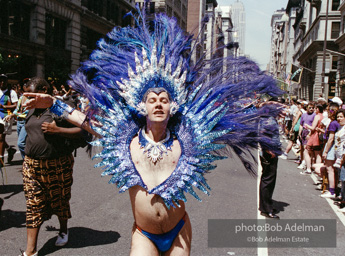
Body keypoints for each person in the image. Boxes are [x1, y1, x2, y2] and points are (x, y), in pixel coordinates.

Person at [23, 7, 284, 254]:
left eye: (164, 99)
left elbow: (233, 121)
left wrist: (264, 124)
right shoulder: (125, 139)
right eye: (152, 99)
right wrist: (54, 103)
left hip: (179, 230)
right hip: (144, 233)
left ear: (173, 106)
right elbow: (89, 123)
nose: (158, 103)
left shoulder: (190, 136)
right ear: (142, 105)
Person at [21, 77, 85, 256]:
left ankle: (63, 229)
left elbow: (83, 130)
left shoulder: (61, 107)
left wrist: (59, 130)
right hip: (32, 166)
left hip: (57, 165)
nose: (28, 98)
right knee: (33, 205)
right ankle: (30, 251)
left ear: (43, 90)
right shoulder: (31, 108)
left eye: (32, 93)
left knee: (60, 200)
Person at [258, 99, 283, 219]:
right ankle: (266, 209)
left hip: (268, 152)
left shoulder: (265, 118)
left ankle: (265, 205)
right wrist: (269, 150)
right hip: (269, 153)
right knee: (268, 180)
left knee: (268, 179)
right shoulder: (269, 120)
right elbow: (262, 136)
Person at [4, 83, 29, 159]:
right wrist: (11, 115)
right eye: (24, 85)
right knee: (25, 143)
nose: (25, 86)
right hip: (19, 122)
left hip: (26, 121)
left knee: (21, 143)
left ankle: (27, 161)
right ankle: (26, 161)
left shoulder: (32, 98)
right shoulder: (21, 97)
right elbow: (17, 109)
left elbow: (27, 112)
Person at [0, 74, 18, 165]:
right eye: (0, 80)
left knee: (1, 136)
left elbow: (16, 105)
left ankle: (1, 159)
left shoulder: (11, 92)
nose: (2, 82)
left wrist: (4, 106)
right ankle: (9, 149)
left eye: (4, 80)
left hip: (6, 115)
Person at [299, 102, 316, 174]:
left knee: (307, 149)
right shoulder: (304, 115)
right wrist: (299, 133)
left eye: (312, 108)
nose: (311, 109)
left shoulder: (314, 115)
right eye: (310, 107)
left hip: (310, 132)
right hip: (304, 132)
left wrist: (310, 134)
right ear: (307, 108)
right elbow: (301, 124)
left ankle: (306, 164)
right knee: (303, 147)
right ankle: (305, 162)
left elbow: (314, 126)